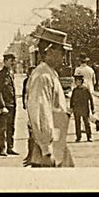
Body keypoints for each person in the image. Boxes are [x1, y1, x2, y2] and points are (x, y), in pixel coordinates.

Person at [24, 27, 74, 167]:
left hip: (56, 142)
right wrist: (46, 149)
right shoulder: (42, 76)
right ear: (50, 51)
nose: (64, 56)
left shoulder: (49, 73)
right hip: (48, 146)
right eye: (62, 52)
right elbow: (40, 112)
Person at [0, 53, 18, 156]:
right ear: (5, 61)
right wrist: (2, 105)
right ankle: (2, 149)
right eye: (10, 60)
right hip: (5, 105)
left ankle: (10, 147)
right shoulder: (1, 74)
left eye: (13, 60)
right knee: (3, 127)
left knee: (11, 127)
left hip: (12, 104)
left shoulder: (11, 73)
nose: (13, 62)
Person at [73, 56, 99, 131]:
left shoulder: (78, 70)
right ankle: (94, 120)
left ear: (80, 62)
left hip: (81, 91)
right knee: (88, 109)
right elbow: (94, 81)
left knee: (81, 109)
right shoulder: (91, 70)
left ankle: (90, 123)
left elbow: (76, 81)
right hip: (90, 90)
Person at [69, 74, 95, 142]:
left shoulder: (85, 89)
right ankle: (78, 137)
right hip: (76, 109)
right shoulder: (75, 90)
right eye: (76, 81)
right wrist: (71, 107)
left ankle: (89, 136)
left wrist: (92, 108)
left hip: (84, 108)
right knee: (77, 123)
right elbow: (72, 99)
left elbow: (90, 99)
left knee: (86, 123)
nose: (77, 83)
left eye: (79, 81)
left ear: (81, 81)